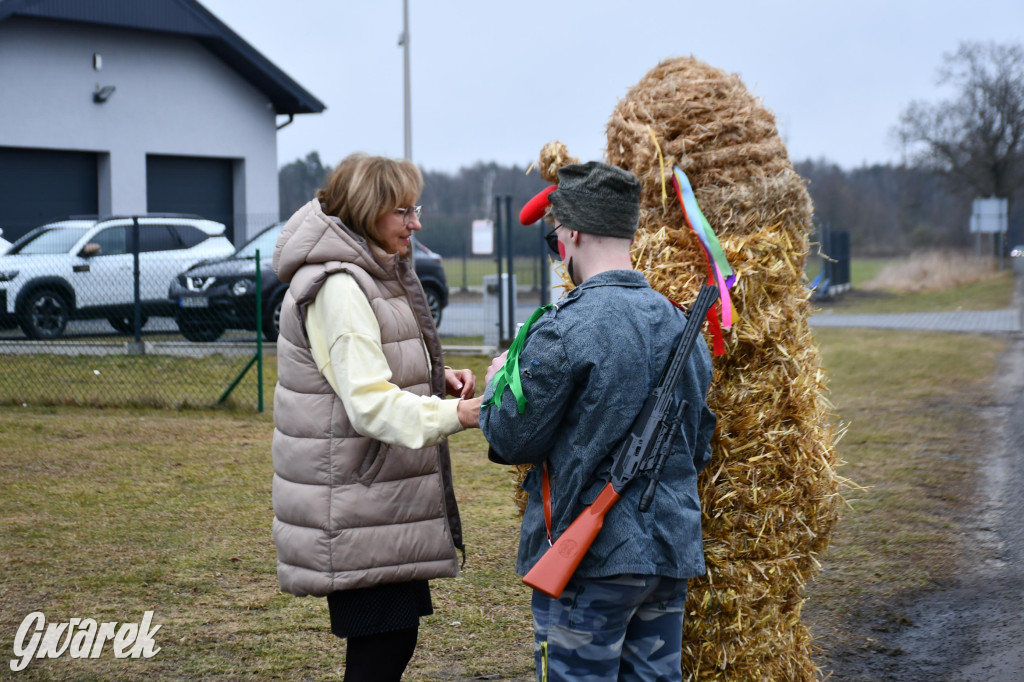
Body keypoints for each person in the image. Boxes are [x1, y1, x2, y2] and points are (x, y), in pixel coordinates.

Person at [479, 161, 716, 681]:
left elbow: (509, 437)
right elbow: (699, 447)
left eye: (555, 237)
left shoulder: (564, 328)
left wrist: (501, 380)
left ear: (572, 233)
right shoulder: (683, 325)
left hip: (591, 562)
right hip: (667, 556)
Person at [271, 152, 483, 682]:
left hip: (377, 501)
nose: (416, 223)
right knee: (379, 652)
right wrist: (458, 413)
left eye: (417, 209)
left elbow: (371, 367)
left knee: (391, 642)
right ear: (367, 212)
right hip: (359, 503)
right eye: (403, 211)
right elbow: (369, 403)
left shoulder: (370, 271)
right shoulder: (340, 288)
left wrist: (438, 379)